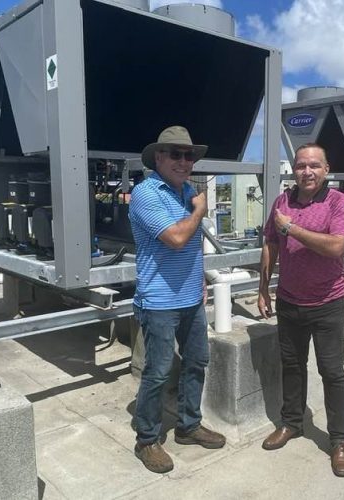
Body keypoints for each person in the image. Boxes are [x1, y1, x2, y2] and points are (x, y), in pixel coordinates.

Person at [129, 125, 225, 474]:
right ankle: (146, 439)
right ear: (158, 158)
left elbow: (192, 249)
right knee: (157, 372)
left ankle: (188, 425)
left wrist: (199, 280)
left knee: (197, 362)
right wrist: (200, 209)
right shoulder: (146, 193)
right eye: (175, 154)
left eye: (189, 156)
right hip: (158, 302)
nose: (184, 161)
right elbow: (176, 238)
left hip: (190, 298)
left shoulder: (186, 192)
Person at [257, 143, 344, 477]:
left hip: (328, 303)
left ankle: (340, 440)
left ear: (327, 169)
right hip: (288, 301)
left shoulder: (339, 202)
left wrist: (292, 228)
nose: (307, 172)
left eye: (314, 165)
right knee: (293, 367)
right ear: (293, 170)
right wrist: (263, 289)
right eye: (301, 166)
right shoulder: (281, 202)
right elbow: (271, 244)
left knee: (332, 372)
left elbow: (336, 246)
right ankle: (292, 423)